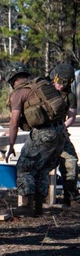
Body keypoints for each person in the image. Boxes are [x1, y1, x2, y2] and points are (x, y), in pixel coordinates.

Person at [4, 64, 68, 217]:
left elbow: (14, 122)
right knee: (42, 169)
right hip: (60, 132)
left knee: (24, 167)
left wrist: (11, 145)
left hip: (44, 133)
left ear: (13, 81)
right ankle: (38, 207)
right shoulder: (42, 85)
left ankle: (26, 206)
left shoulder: (19, 93)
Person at [50, 62, 78, 207]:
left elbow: (72, 117)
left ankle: (70, 196)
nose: (62, 85)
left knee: (71, 162)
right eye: (61, 81)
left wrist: (62, 127)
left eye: (66, 83)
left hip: (61, 134)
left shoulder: (70, 96)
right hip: (44, 135)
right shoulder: (46, 91)